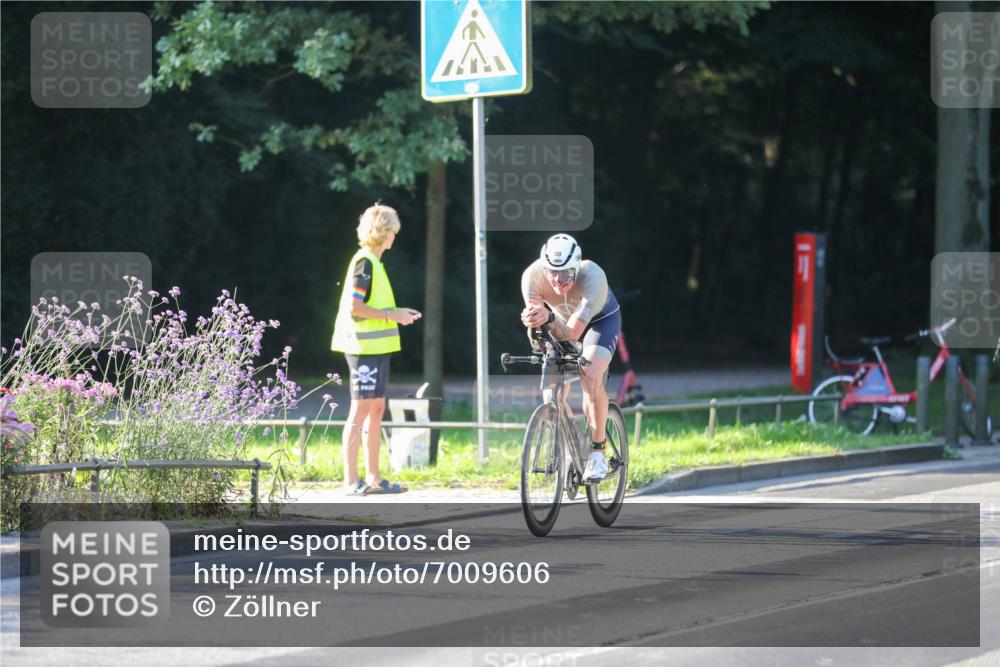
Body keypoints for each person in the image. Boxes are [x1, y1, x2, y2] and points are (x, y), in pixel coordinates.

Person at [331, 204, 421, 495]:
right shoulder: (365, 263)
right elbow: (356, 308)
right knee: (360, 411)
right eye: (393, 229)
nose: (395, 235)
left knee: (377, 409)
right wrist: (393, 315)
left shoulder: (375, 263)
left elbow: (373, 306)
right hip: (362, 349)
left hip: (377, 349)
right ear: (384, 231)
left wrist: (397, 311)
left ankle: (374, 478)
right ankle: (351, 481)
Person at [520, 234, 621, 483]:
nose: (557, 280)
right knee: (550, 395)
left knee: (589, 374)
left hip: (599, 322)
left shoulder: (593, 277)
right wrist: (533, 323)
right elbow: (538, 324)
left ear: (576, 267)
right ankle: (570, 448)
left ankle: (598, 451)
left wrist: (549, 319)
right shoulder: (532, 276)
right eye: (552, 272)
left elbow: (574, 334)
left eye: (565, 273)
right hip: (559, 323)